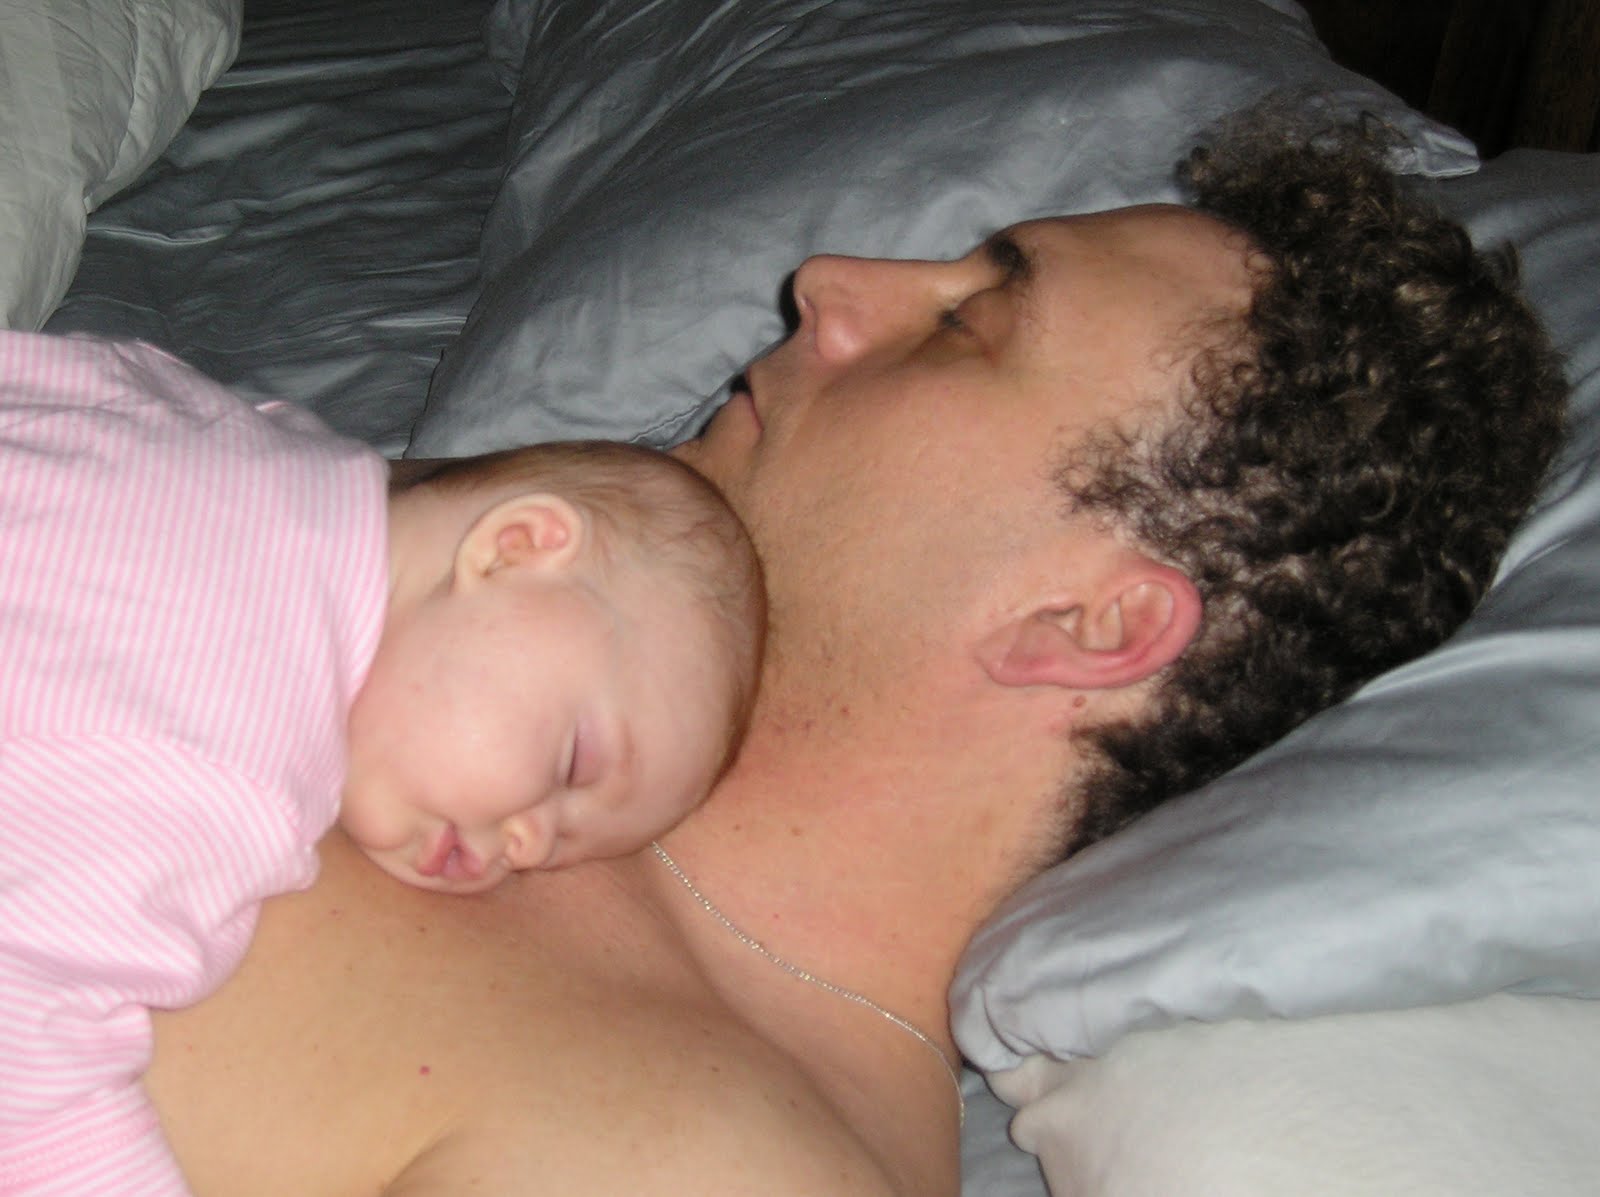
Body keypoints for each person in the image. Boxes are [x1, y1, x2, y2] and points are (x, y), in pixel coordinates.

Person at [115, 113, 1577, 1194]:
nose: (830, 280)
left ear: (1085, 624)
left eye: (969, 324)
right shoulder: (450, 568)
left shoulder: (702, 1155)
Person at [0, 331, 765, 1195]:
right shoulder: (225, 760)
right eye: (571, 763)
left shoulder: (210, 417)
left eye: (559, 849)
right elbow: (23, 1042)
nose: (525, 844)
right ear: (516, 547)